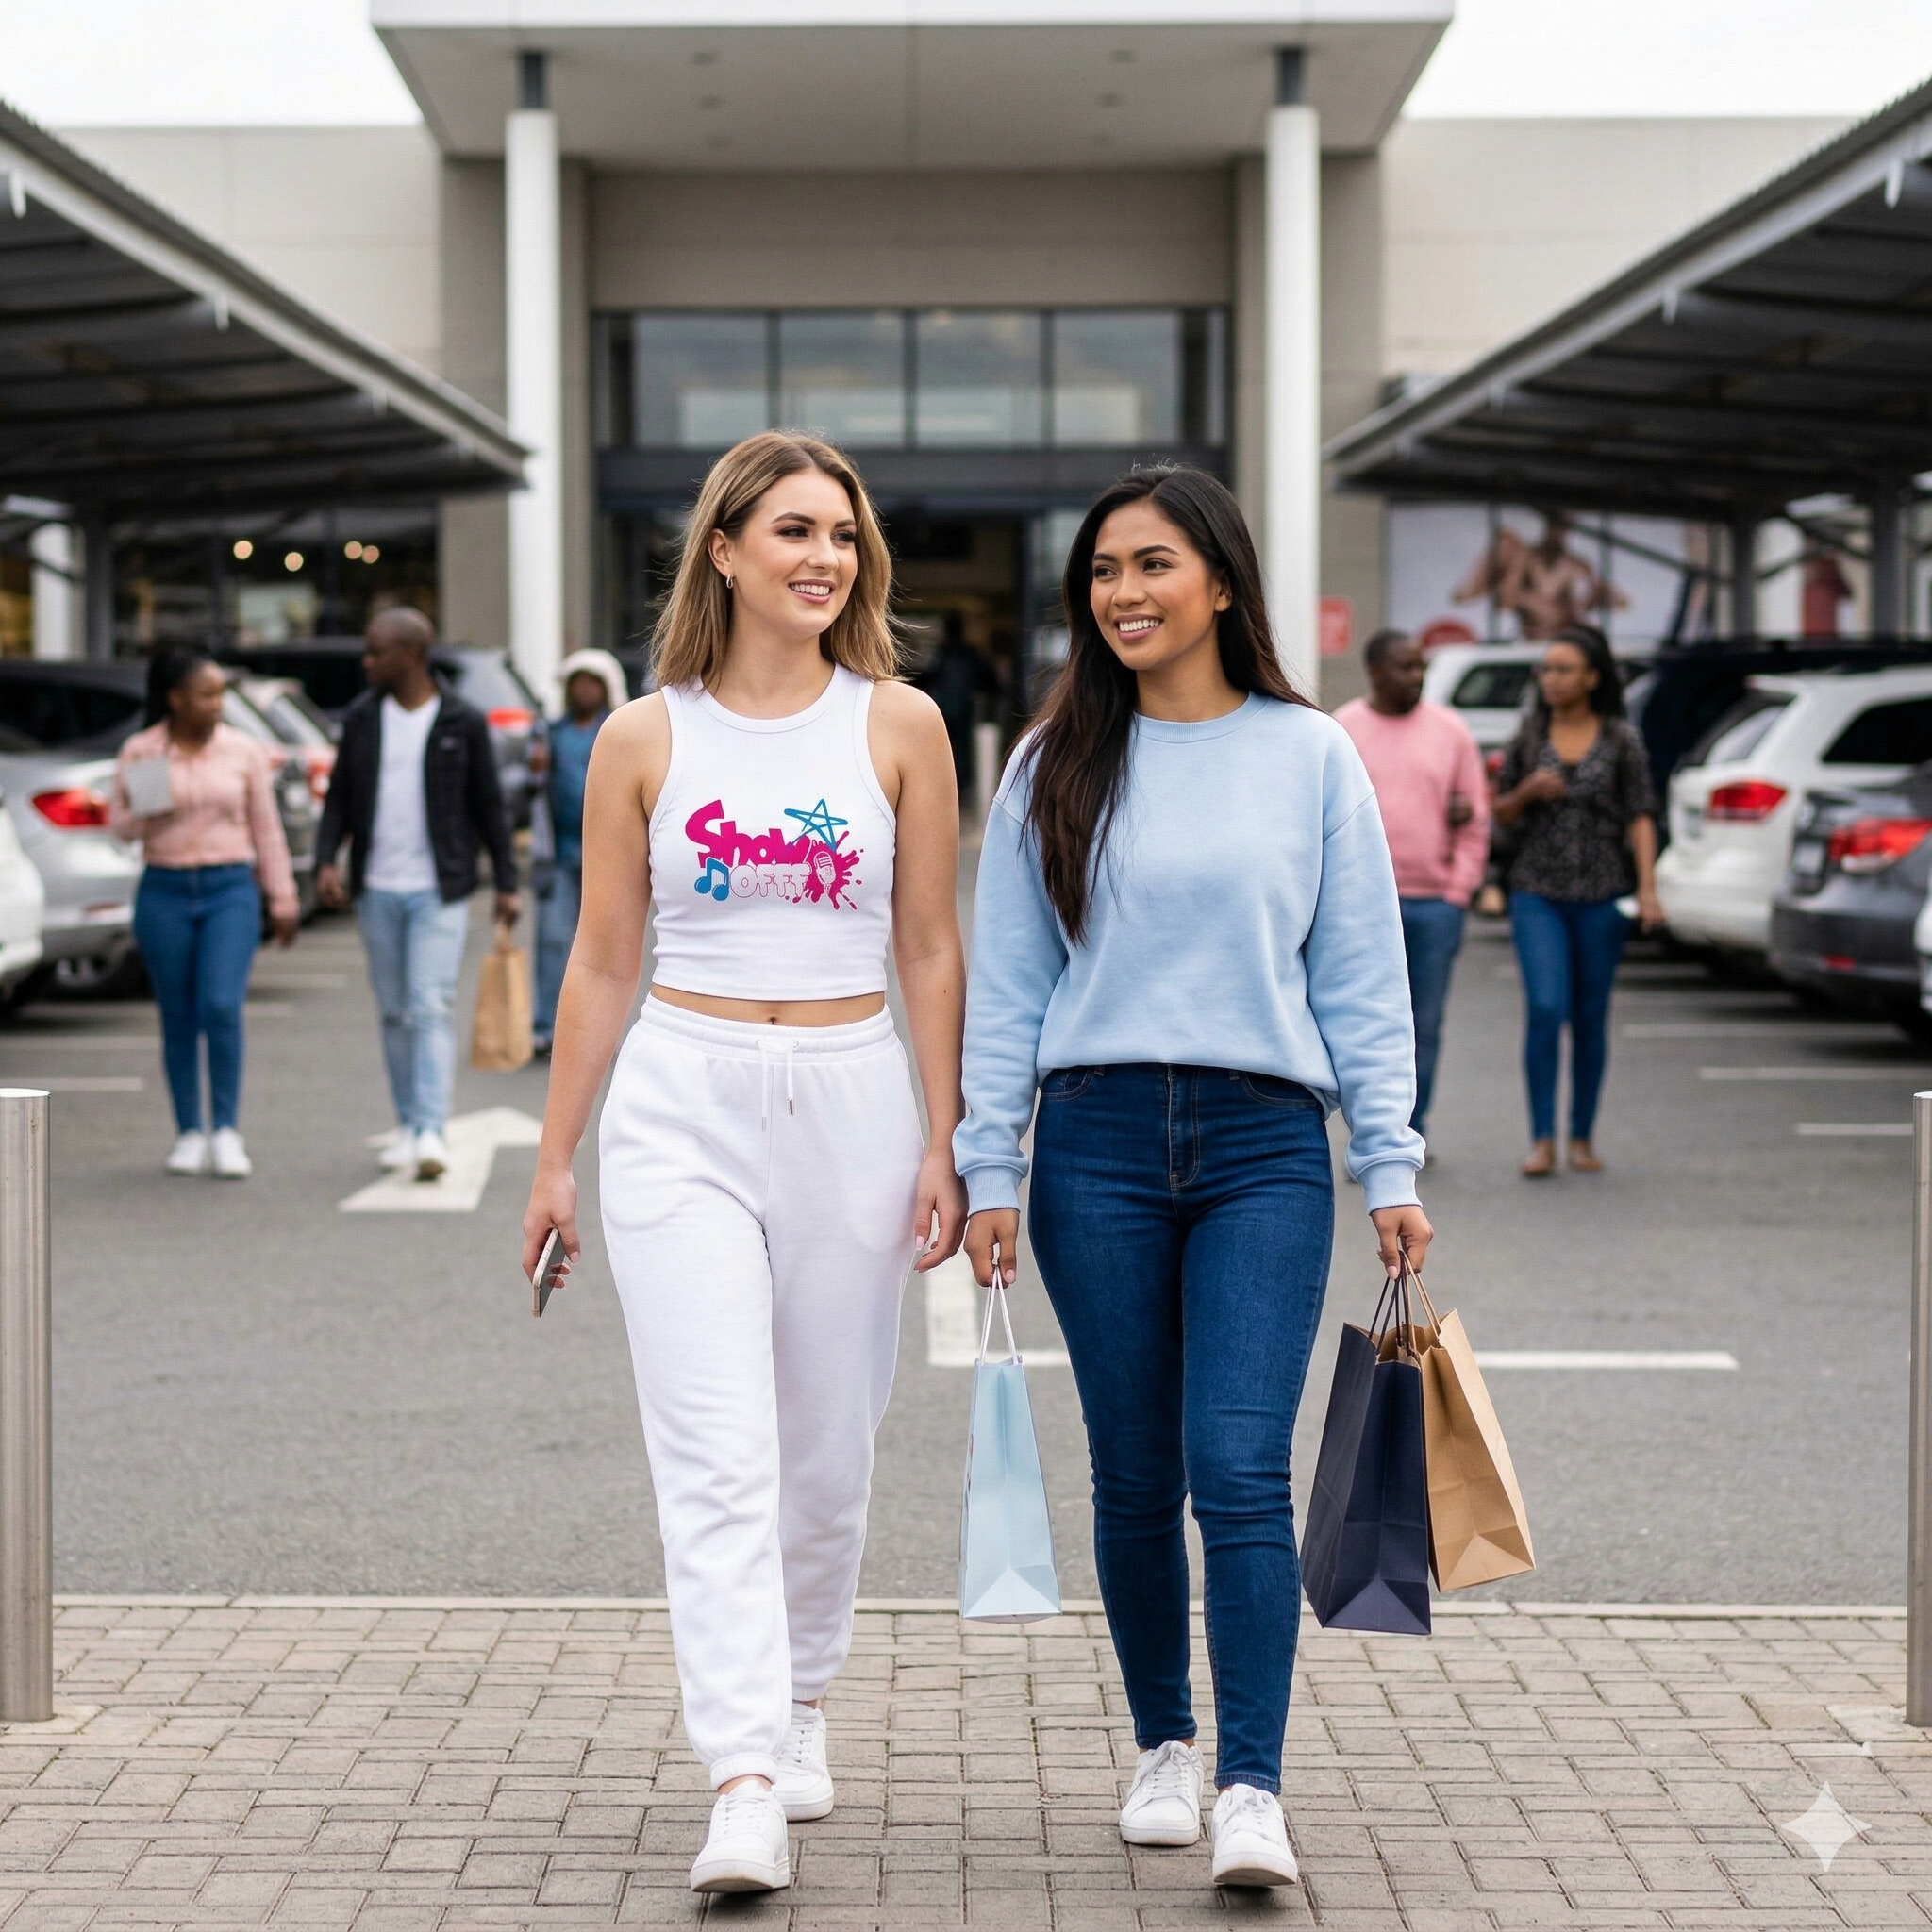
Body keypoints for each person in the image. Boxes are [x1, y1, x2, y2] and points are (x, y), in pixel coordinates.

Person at [956, 466, 1430, 1892]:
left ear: (1221, 582)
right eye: (1103, 571)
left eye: (1152, 563)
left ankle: (1251, 1785)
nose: (1123, 593)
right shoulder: (1052, 762)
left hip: (1262, 1145)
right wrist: (989, 1162)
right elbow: (1008, 984)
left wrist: (1389, 1158)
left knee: (1236, 1466)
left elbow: (1362, 975)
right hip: (1091, 1141)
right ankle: (1163, 1743)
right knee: (1133, 1469)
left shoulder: (1310, 754)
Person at [519, 431, 966, 1896]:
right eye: (792, 531)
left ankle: (804, 1695)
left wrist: (949, 1137)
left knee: (827, 1451)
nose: (824, 557)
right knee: (716, 1454)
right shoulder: (644, 738)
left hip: (852, 1097)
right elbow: (601, 960)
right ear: (723, 550)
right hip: (680, 1102)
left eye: (841, 534)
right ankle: (743, 1775)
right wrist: (555, 1158)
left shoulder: (900, 724)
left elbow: (928, 946)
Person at [314, 607, 519, 1183]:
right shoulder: (362, 718)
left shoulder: (461, 720)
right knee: (394, 1011)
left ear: (411, 655)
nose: (367, 661)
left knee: (429, 1004)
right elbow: (339, 797)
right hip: (376, 887)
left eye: (377, 651)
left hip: (439, 888)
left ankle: (430, 1128)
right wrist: (326, 860)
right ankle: (407, 1123)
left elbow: (489, 806)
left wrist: (507, 882)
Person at [111, 649, 300, 1179]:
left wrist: (282, 896)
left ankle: (226, 1130)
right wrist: (146, 799)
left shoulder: (242, 750)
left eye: (221, 695)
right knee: (177, 1013)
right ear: (175, 699)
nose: (218, 705)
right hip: (164, 889)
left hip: (228, 888)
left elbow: (267, 827)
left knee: (220, 1004)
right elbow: (120, 829)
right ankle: (189, 1131)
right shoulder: (142, 751)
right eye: (207, 694)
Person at [1491, 624, 1661, 1176]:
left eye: (1564, 669)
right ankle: (1542, 1139)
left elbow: (1641, 814)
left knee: (1590, 1016)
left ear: (1592, 677)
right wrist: (1528, 791)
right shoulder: (1529, 735)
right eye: (1546, 669)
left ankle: (1582, 1136)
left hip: (1601, 895)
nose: (1551, 678)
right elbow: (1499, 812)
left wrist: (1648, 889)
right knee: (1546, 1008)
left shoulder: (1620, 738)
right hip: (1537, 891)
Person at [1336, 629, 1490, 1146]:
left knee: (1423, 1025)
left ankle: (1408, 1134)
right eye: (1405, 667)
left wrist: (1458, 893)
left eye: (1421, 666)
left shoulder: (1451, 731)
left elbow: (1476, 817)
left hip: (1432, 905)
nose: (1417, 676)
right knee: (1360, 1024)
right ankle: (1369, 1133)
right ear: (1374, 672)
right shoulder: (1342, 730)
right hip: (1359, 906)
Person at [531, 648, 629, 1054]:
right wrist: (534, 772)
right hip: (559, 854)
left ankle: (602, 1030)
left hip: (607, 860)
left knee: (605, 948)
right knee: (554, 941)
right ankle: (546, 1027)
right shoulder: (549, 734)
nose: (584, 691)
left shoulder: (619, 731)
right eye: (578, 683)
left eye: (592, 683)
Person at [913, 613, 1003, 804]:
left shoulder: (941, 654)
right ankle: (960, 792)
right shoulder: (969, 654)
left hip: (943, 711)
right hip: (963, 712)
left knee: (944, 753)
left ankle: (948, 791)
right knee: (962, 754)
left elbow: (926, 678)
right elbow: (990, 680)